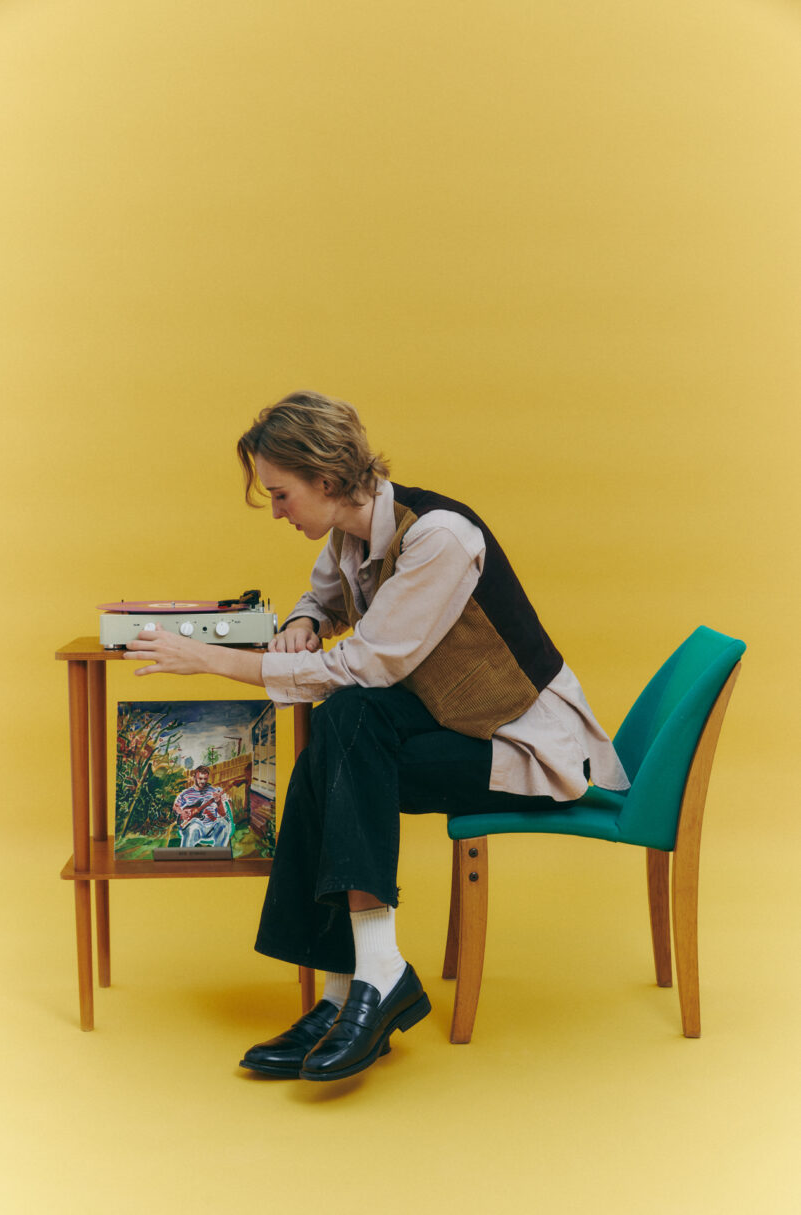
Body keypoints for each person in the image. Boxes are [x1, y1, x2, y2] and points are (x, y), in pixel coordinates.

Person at [124, 390, 629, 1083]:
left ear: (326, 482)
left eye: (280, 494)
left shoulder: (438, 539)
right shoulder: (352, 532)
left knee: (347, 719)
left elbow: (363, 662)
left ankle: (369, 978)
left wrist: (210, 658)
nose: (275, 510)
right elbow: (324, 597)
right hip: (452, 721)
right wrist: (303, 616)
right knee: (344, 725)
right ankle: (351, 989)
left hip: (526, 747)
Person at [172, 765, 232, 849]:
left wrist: (219, 802)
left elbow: (222, 814)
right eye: (200, 778)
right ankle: (186, 856)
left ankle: (218, 854)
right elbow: (176, 806)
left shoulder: (213, 791)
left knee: (224, 824)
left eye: (205, 779)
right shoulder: (186, 793)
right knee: (193, 826)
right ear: (194, 777)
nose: (203, 781)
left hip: (212, 827)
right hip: (194, 827)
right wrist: (182, 812)